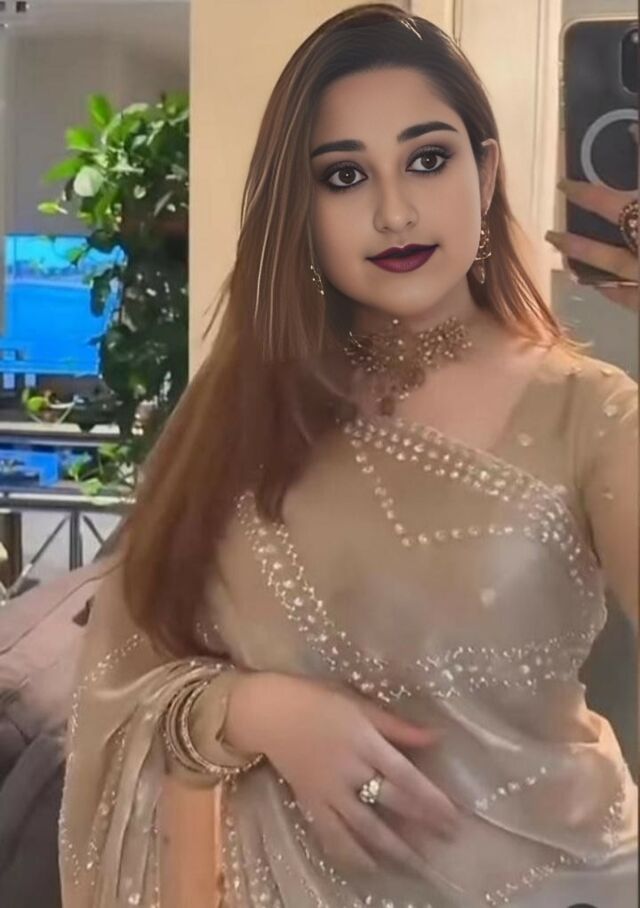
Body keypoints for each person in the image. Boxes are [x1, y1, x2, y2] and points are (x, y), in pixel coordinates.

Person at [59, 6, 639, 907]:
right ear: (300, 208)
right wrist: (255, 710)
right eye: (343, 175)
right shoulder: (239, 409)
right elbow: (128, 669)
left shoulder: (591, 413)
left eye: (428, 159)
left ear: (486, 172)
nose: (394, 210)